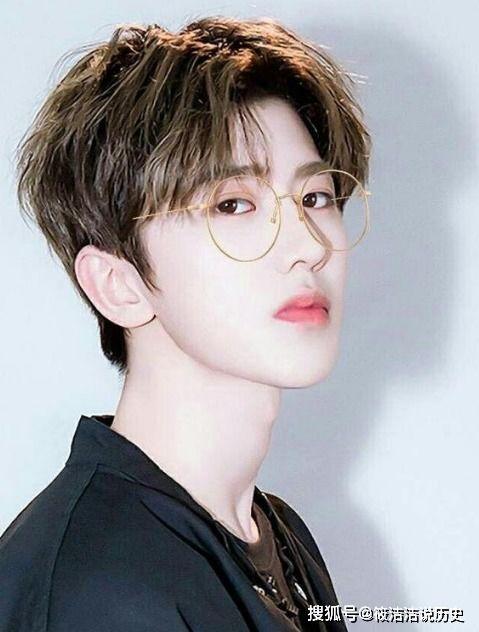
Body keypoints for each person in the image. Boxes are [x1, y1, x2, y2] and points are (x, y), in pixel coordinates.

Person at [0, 15, 371, 631]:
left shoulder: (274, 535)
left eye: (316, 197)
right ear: (118, 285)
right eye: (234, 204)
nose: (308, 245)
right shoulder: (103, 588)